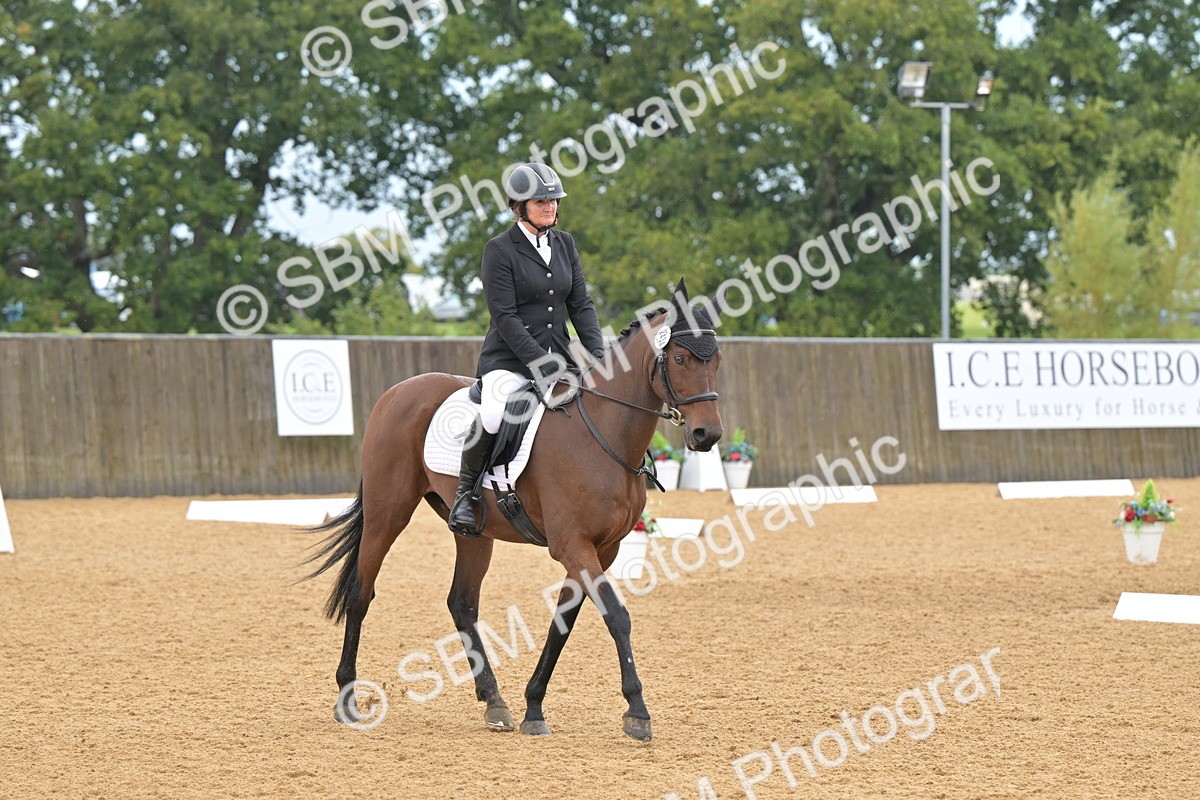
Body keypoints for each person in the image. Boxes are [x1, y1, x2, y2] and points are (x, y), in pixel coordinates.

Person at [448, 162, 607, 536]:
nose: (550, 207)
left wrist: (598, 355)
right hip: (509, 360)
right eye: (541, 201)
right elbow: (505, 316)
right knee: (492, 414)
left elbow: (581, 305)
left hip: (559, 357)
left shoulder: (565, 243)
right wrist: (541, 362)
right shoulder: (499, 250)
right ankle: (465, 493)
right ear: (519, 206)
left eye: (554, 201)